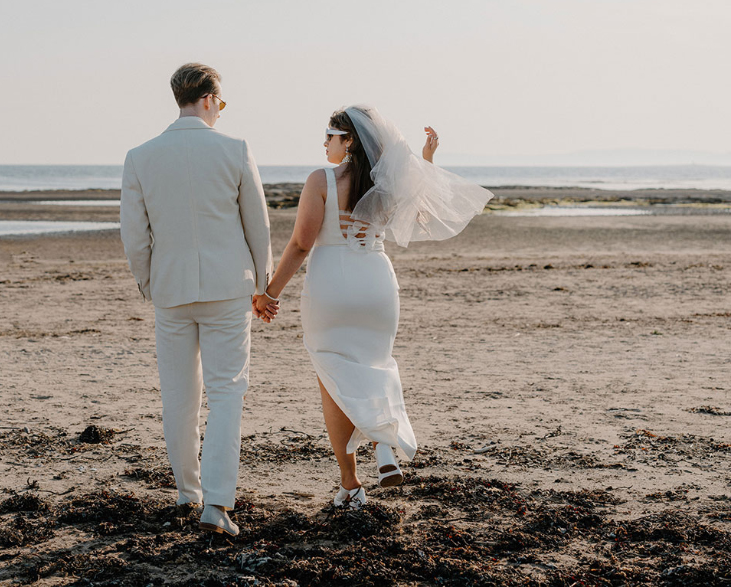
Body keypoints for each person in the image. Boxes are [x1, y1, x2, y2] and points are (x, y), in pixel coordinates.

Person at [254, 105, 492, 508]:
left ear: (349, 141)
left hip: (331, 288)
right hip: (377, 285)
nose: (325, 141)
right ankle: (384, 444)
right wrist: (427, 161)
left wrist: (270, 293)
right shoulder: (391, 185)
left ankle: (350, 483)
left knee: (333, 379)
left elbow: (300, 244)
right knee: (375, 365)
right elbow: (423, 213)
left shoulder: (321, 180)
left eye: (330, 134)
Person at [121, 63, 273, 536]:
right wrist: (263, 284)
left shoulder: (140, 156)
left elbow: (134, 237)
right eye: (221, 104)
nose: (221, 112)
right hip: (229, 288)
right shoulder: (235, 150)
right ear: (208, 99)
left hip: (170, 290)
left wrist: (149, 283)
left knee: (179, 397)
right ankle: (216, 506)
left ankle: (189, 492)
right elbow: (258, 226)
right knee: (228, 394)